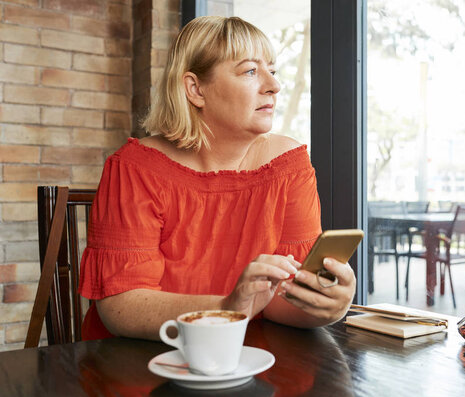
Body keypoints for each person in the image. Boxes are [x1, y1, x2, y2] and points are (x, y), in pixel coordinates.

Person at [78, 16, 356, 341]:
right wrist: (225, 309)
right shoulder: (133, 167)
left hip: (241, 359)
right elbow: (121, 308)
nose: (273, 86)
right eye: (250, 71)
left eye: (272, 70)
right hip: (138, 363)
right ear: (195, 89)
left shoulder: (289, 166)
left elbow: (281, 300)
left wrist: (328, 303)